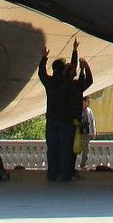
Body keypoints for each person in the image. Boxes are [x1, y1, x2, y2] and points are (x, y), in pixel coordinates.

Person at [37, 42, 92, 182]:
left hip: (52, 121)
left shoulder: (50, 83)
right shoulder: (69, 83)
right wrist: (76, 55)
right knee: (66, 149)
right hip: (66, 122)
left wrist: (43, 58)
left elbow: (41, 73)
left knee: (52, 149)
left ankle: (52, 174)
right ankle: (66, 175)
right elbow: (76, 73)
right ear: (64, 71)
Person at [78, 98, 96, 173]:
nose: (89, 102)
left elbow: (92, 121)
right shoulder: (77, 109)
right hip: (78, 133)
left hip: (86, 133)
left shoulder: (89, 111)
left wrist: (93, 132)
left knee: (86, 150)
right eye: (87, 101)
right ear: (83, 101)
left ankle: (83, 164)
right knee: (76, 149)